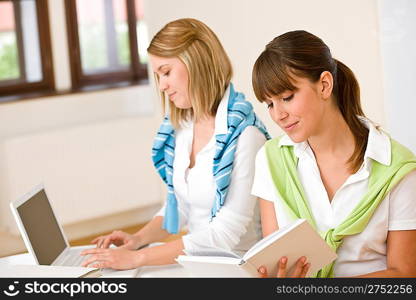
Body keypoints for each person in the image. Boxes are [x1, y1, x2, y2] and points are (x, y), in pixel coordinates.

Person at [80, 18, 270, 270]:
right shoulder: (181, 127)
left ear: (197, 64)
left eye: (166, 72)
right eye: (158, 76)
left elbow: (225, 235)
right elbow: (180, 205)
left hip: (236, 267)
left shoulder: (246, 136)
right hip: (196, 262)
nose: (162, 85)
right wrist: (137, 240)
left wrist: (138, 258)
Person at [250, 30, 416, 277]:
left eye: (287, 97)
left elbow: (404, 274)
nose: (278, 115)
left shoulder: (397, 169)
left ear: (325, 85)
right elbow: (275, 262)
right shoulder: (271, 159)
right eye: (270, 104)